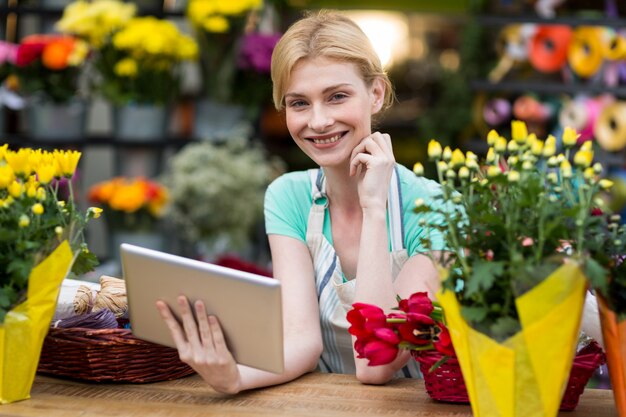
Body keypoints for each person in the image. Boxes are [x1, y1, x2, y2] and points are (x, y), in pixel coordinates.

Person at [156, 10, 447, 394]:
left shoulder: (435, 207)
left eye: (337, 97)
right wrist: (234, 377)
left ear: (375, 94)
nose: (319, 121)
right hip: (318, 403)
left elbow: (377, 365)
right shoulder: (289, 197)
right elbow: (301, 341)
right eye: (299, 103)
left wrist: (375, 208)